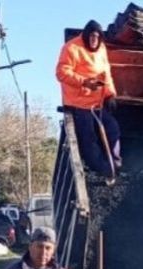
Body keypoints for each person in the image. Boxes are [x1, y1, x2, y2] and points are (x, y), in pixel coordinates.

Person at [56, 20, 121, 184]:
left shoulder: (101, 49)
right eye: (92, 36)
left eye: (97, 37)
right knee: (89, 139)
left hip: (97, 102)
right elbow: (61, 72)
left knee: (113, 128)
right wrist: (84, 82)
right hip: (78, 103)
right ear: (86, 35)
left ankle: (114, 161)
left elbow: (106, 74)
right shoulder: (72, 48)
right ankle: (102, 169)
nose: (94, 40)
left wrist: (110, 94)